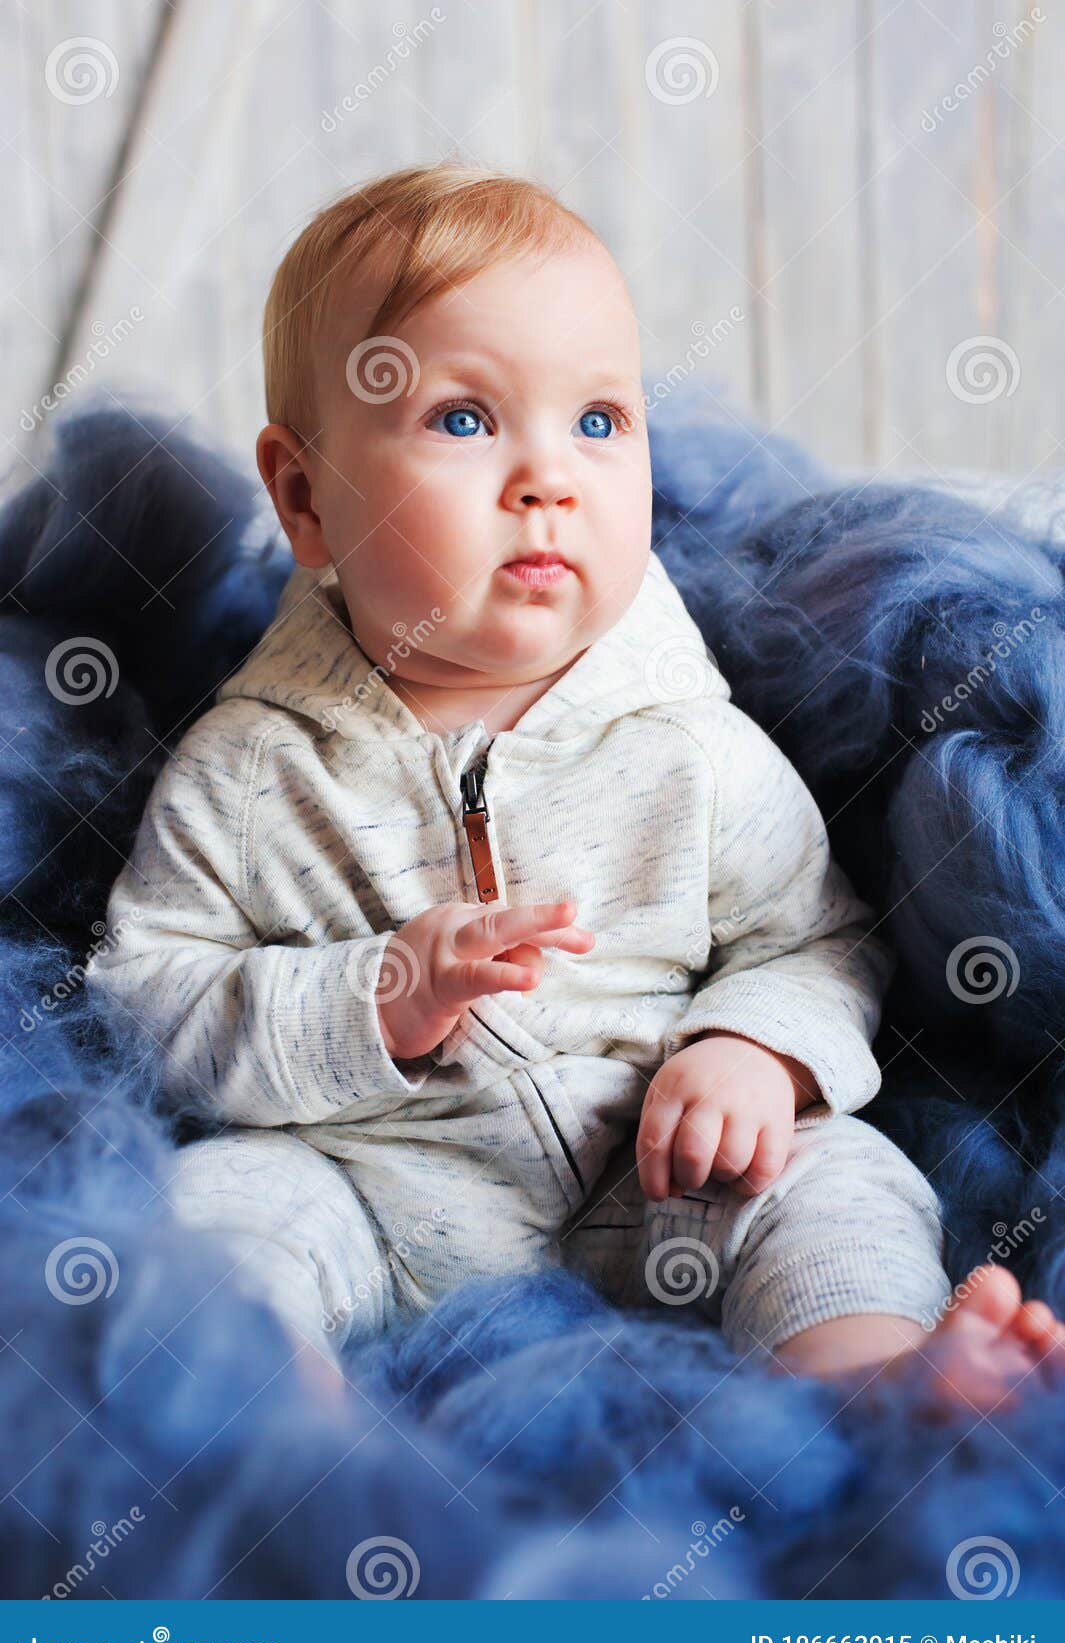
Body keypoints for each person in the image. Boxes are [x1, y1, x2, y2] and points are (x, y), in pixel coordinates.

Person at [86, 163, 1064, 1410]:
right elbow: (147, 999)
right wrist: (371, 998)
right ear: (304, 496)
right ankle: (276, 1413)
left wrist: (755, 1052)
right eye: (463, 417)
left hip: (655, 1183)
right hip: (372, 1186)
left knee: (833, 1178)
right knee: (224, 1210)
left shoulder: (689, 743)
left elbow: (817, 938)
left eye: (598, 422)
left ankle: (875, 1378)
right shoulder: (248, 768)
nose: (548, 477)